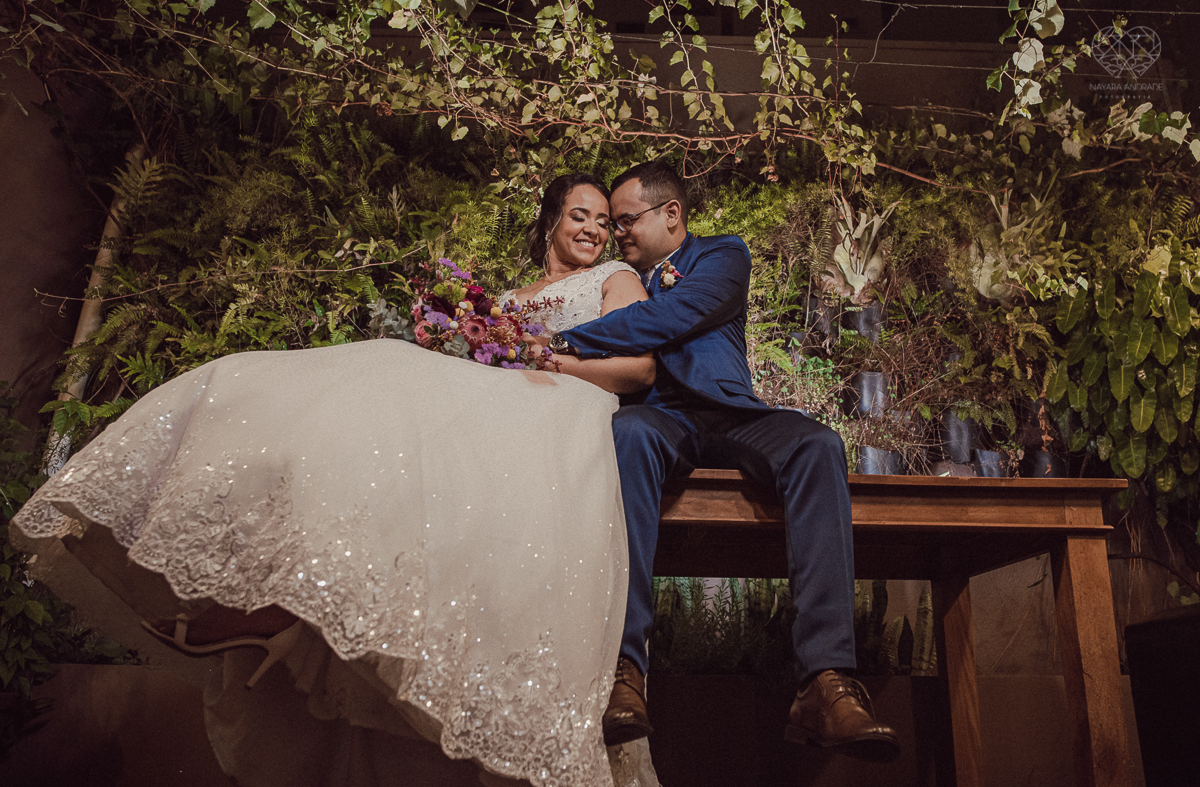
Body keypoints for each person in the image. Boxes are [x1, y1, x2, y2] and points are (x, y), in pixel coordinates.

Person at [12, 173, 661, 787]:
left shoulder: (615, 277)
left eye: (604, 222)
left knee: (407, 386)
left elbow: (637, 368)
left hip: (560, 408)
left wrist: (543, 357)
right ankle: (277, 598)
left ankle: (291, 619)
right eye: (581, 216)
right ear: (551, 221)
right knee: (386, 387)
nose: (595, 230)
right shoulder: (512, 297)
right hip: (500, 401)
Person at [548, 161, 901, 762]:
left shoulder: (722, 256)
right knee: (627, 436)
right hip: (659, 415)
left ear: (672, 215)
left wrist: (565, 339)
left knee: (819, 444)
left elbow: (670, 318)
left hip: (730, 413)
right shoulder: (617, 275)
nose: (619, 232)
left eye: (627, 220)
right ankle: (625, 671)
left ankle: (825, 680)